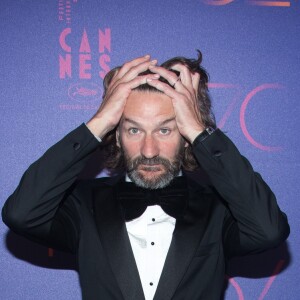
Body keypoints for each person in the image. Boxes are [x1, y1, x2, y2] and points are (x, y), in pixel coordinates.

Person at [2, 52, 290, 300]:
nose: (149, 150)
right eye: (133, 130)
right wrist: (98, 122)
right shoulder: (83, 204)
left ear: (186, 136)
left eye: (165, 130)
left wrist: (203, 134)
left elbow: (268, 230)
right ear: (115, 134)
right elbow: (21, 213)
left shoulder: (220, 210)